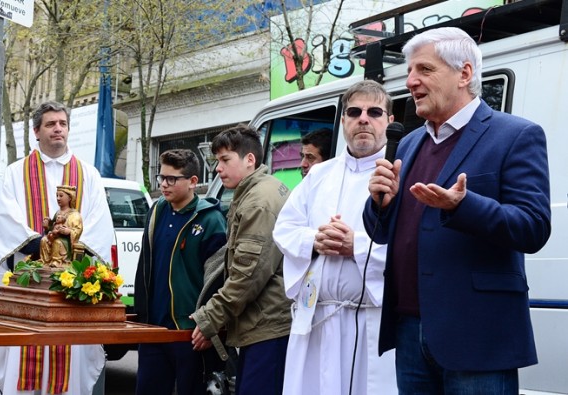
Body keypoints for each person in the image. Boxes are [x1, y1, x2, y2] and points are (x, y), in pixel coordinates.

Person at [365, 27, 550, 393]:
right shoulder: (407, 143)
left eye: (424, 70)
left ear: (464, 74)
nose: (412, 81)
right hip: (409, 329)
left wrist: (464, 205)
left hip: (477, 334)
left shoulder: (516, 135)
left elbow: (533, 227)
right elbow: (382, 232)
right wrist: (378, 204)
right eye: (410, 72)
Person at [273, 80, 397, 395]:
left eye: (374, 112)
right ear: (343, 120)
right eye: (354, 112)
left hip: (372, 320)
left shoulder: (401, 174)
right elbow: (284, 229)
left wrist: (354, 245)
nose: (363, 119)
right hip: (317, 318)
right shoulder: (318, 175)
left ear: (389, 120)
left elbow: (410, 247)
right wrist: (315, 240)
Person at [0, 101, 114, 395]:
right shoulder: (16, 173)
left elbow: (98, 225)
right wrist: (43, 244)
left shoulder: (88, 175)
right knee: (23, 365)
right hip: (29, 291)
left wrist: (68, 245)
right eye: (51, 124)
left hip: (71, 295)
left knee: (71, 372)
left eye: (63, 124)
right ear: (36, 132)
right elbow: (4, 221)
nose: (58, 129)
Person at [190, 124, 291, 395]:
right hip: (265, 323)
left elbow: (247, 276)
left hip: (267, 327)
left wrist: (210, 318)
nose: (217, 169)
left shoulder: (258, 201)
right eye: (216, 161)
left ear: (249, 160)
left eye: (225, 160)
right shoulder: (261, 189)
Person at [133, 148, 227, 395]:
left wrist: (210, 326)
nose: (164, 184)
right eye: (161, 178)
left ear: (193, 182)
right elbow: (145, 266)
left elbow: (219, 279)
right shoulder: (157, 211)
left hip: (190, 332)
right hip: (154, 330)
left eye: (171, 179)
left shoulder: (210, 219)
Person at [39, 185, 83, 267]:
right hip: (54, 236)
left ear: (70, 198)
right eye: (57, 196)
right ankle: (45, 261)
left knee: (57, 242)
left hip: (66, 242)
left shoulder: (75, 215)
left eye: (61, 196)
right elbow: (53, 228)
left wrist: (69, 231)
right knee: (44, 240)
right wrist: (46, 227)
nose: (58, 198)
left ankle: (57, 261)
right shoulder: (58, 213)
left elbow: (78, 231)